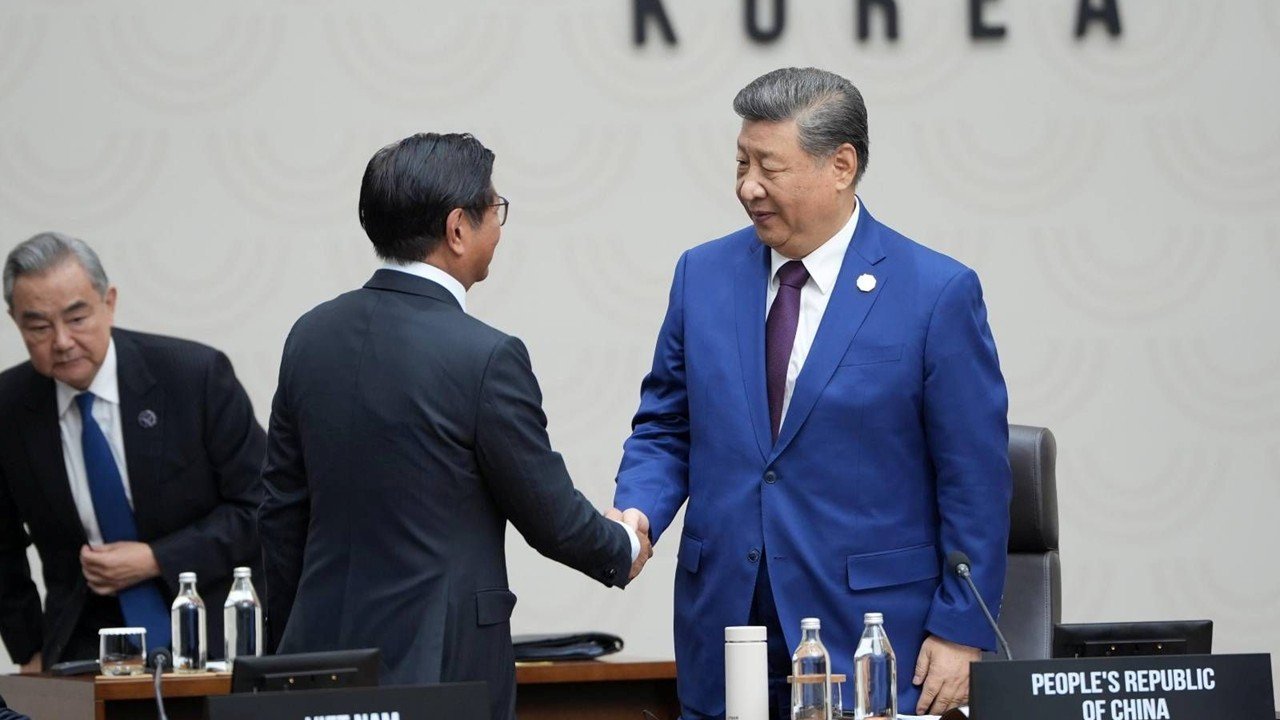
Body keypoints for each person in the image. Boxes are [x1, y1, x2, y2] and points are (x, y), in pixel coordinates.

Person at [613, 67, 1012, 718]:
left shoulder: (935, 293)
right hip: (726, 623)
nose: (748, 186)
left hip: (870, 638)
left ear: (841, 167)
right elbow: (667, 426)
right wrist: (637, 511)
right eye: (741, 162)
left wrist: (962, 628)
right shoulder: (702, 275)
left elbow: (975, 479)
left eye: (769, 167)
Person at [259, 132, 651, 720]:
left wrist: (288, 654)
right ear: (458, 229)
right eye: (495, 209)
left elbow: (280, 513)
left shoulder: (309, 336)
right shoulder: (486, 356)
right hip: (440, 669)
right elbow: (547, 514)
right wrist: (623, 545)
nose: (500, 227)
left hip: (318, 663)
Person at [0, 232, 265, 671]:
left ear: (109, 302)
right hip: (83, 645)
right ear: (16, 322)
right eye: (40, 327)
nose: (62, 341)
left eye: (77, 317)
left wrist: (156, 559)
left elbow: (260, 507)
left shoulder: (193, 378)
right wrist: (28, 650)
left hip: (209, 630)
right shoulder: (10, 408)